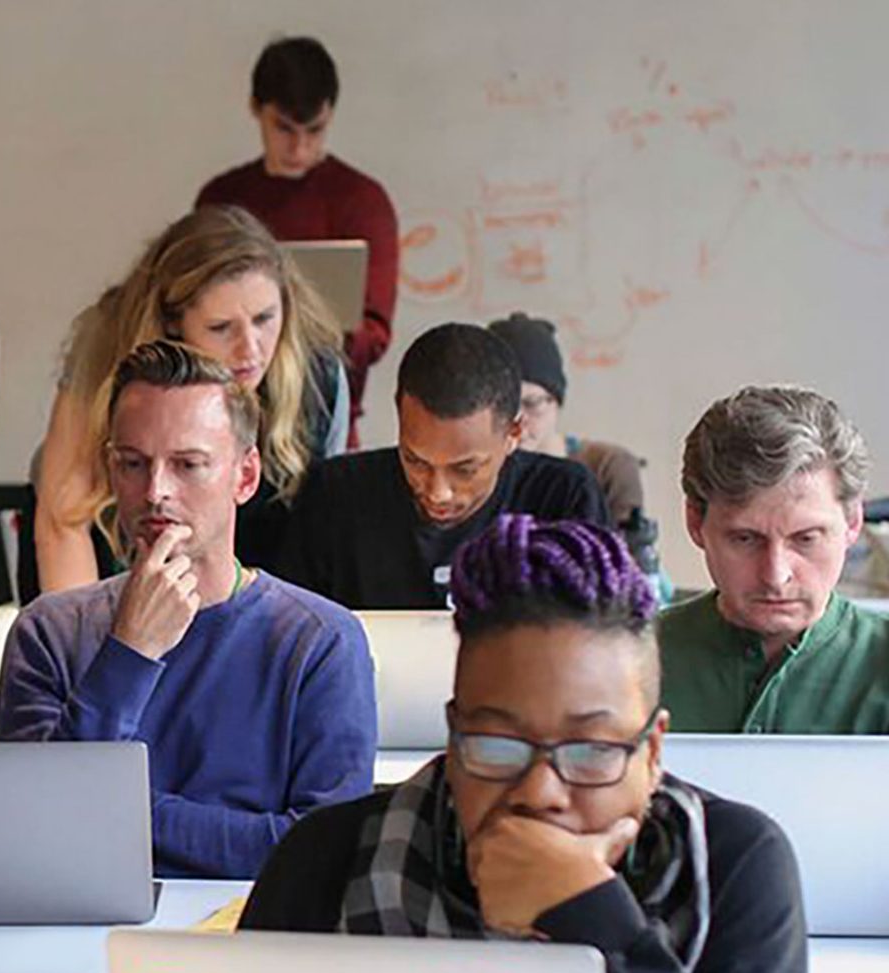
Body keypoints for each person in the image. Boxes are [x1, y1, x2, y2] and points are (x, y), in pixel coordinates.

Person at [242, 515, 808, 973]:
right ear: (451, 737)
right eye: (498, 747)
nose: (541, 792)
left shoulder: (733, 865)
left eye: (593, 751)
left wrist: (592, 917)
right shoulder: (330, 859)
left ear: (653, 751)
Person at [0, 340, 376, 879]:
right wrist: (129, 653)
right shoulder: (50, 631)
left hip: (246, 947)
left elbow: (322, 854)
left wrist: (117, 810)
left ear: (245, 477)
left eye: (188, 465)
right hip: (76, 944)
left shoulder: (321, 643)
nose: (155, 491)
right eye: (133, 463)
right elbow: (31, 832)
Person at [33, 205, 348, 591]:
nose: (250, 348)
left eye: (265, 318)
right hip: (115, 587)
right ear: (173, 325)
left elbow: (319, 540)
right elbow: (64, 521)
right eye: (221, 328)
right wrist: (88, 642)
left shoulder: (317, 378)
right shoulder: (106, 357)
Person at [278, 322, 609, 609]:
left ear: (514, 434)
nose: (438, 492)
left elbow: (601, 645)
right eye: (415, 460)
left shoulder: (562, 499)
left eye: (465, 469)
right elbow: (287, 637)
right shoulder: (336, 495)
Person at [196, 35, 398, 441]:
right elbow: (193, 311)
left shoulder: (362, 201)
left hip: (325, 413)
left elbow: (374, 332)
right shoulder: (222, 199)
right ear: (257, 109)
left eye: (315, 129)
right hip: (227, 415)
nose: (300, 146)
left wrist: (300, 347)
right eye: (284, 129)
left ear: (331, 115)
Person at [660, 385, 889, 732]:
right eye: (745, 539)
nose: (775, 575)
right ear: (695, 523)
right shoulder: (629, 661)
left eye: (806, 539)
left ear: (852, 523)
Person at [487, 312, 647, 528]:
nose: (517, 421)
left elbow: (630, 556)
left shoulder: (608, 466)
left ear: (556, 401)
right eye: (504, 406)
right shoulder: (476, 473)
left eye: (532, 404)